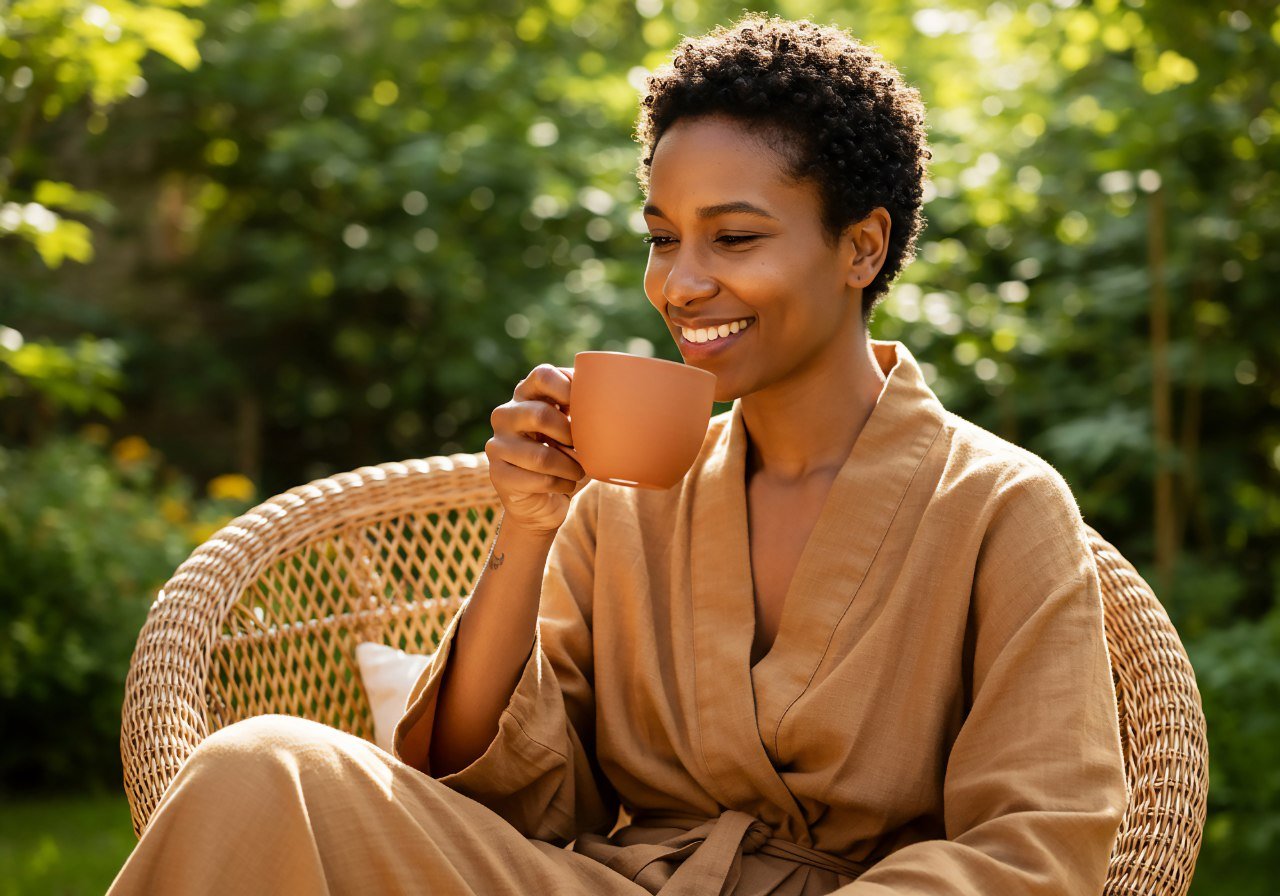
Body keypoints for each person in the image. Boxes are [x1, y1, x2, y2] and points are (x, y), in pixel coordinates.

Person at [108, 13, 1128, 896]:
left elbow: (1036, 843)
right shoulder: (628, 497)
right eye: (659, 236)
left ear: (860, 247)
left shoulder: (999, 504)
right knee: (262, 762)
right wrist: (527, 527)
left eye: (731, 239)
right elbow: (501, 788)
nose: (679, 283)